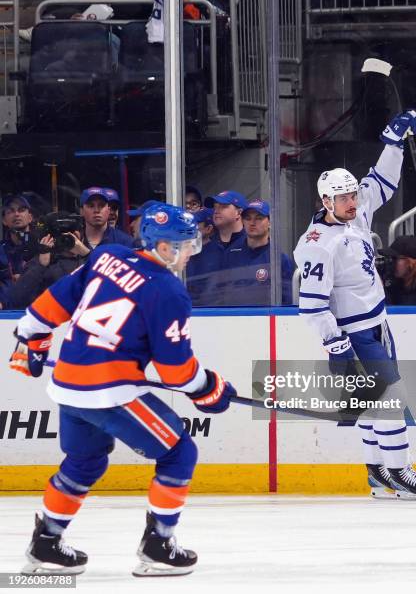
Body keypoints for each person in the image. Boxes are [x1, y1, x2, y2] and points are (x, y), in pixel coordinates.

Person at [9, 202, 237, 576]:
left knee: (86, 461)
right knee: (180, 452)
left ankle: (46, 543)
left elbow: (56, 301)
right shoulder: (167, 290)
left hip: (67, 385)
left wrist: (30, 337)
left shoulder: (107, 256)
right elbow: (176, 371)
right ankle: (159, 545)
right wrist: (208, 387)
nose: (188, 253)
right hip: (109, 391)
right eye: (181, 245)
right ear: (161, 246)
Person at [293, 109, 416, 500]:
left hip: (378, 323)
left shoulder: (355, 217)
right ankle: (401, 472)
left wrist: (393, 143)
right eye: (343, 198)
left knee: (374, 401)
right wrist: (334, 343)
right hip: (355, 332)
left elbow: (382, 182)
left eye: (353, 194)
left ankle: (378, 474)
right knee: (390, 397)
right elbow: (311, 305)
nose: (352, 201)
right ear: (327, 200)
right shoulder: (316, 244)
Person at [224, 199, 294, 305]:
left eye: (259, 218)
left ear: (270, 222)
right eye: (248, 218)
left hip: (265, 319)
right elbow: (221, 294)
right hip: (234, 318)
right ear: (243, 221)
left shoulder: (280, 260)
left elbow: (288, 302)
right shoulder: (231, 254)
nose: (252, 223)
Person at [378, 235, 416, 305]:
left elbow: (399, 313)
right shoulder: (396, 283)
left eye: (395, 258)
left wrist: (380, 290)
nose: (391, 262)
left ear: (412, 263)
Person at [1, 195, 35, 279]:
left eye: (21, 210)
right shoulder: (1, 250)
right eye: (11, 211)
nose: (16, 214)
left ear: (30, 218)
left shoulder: (43, 247)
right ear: (4, 221)